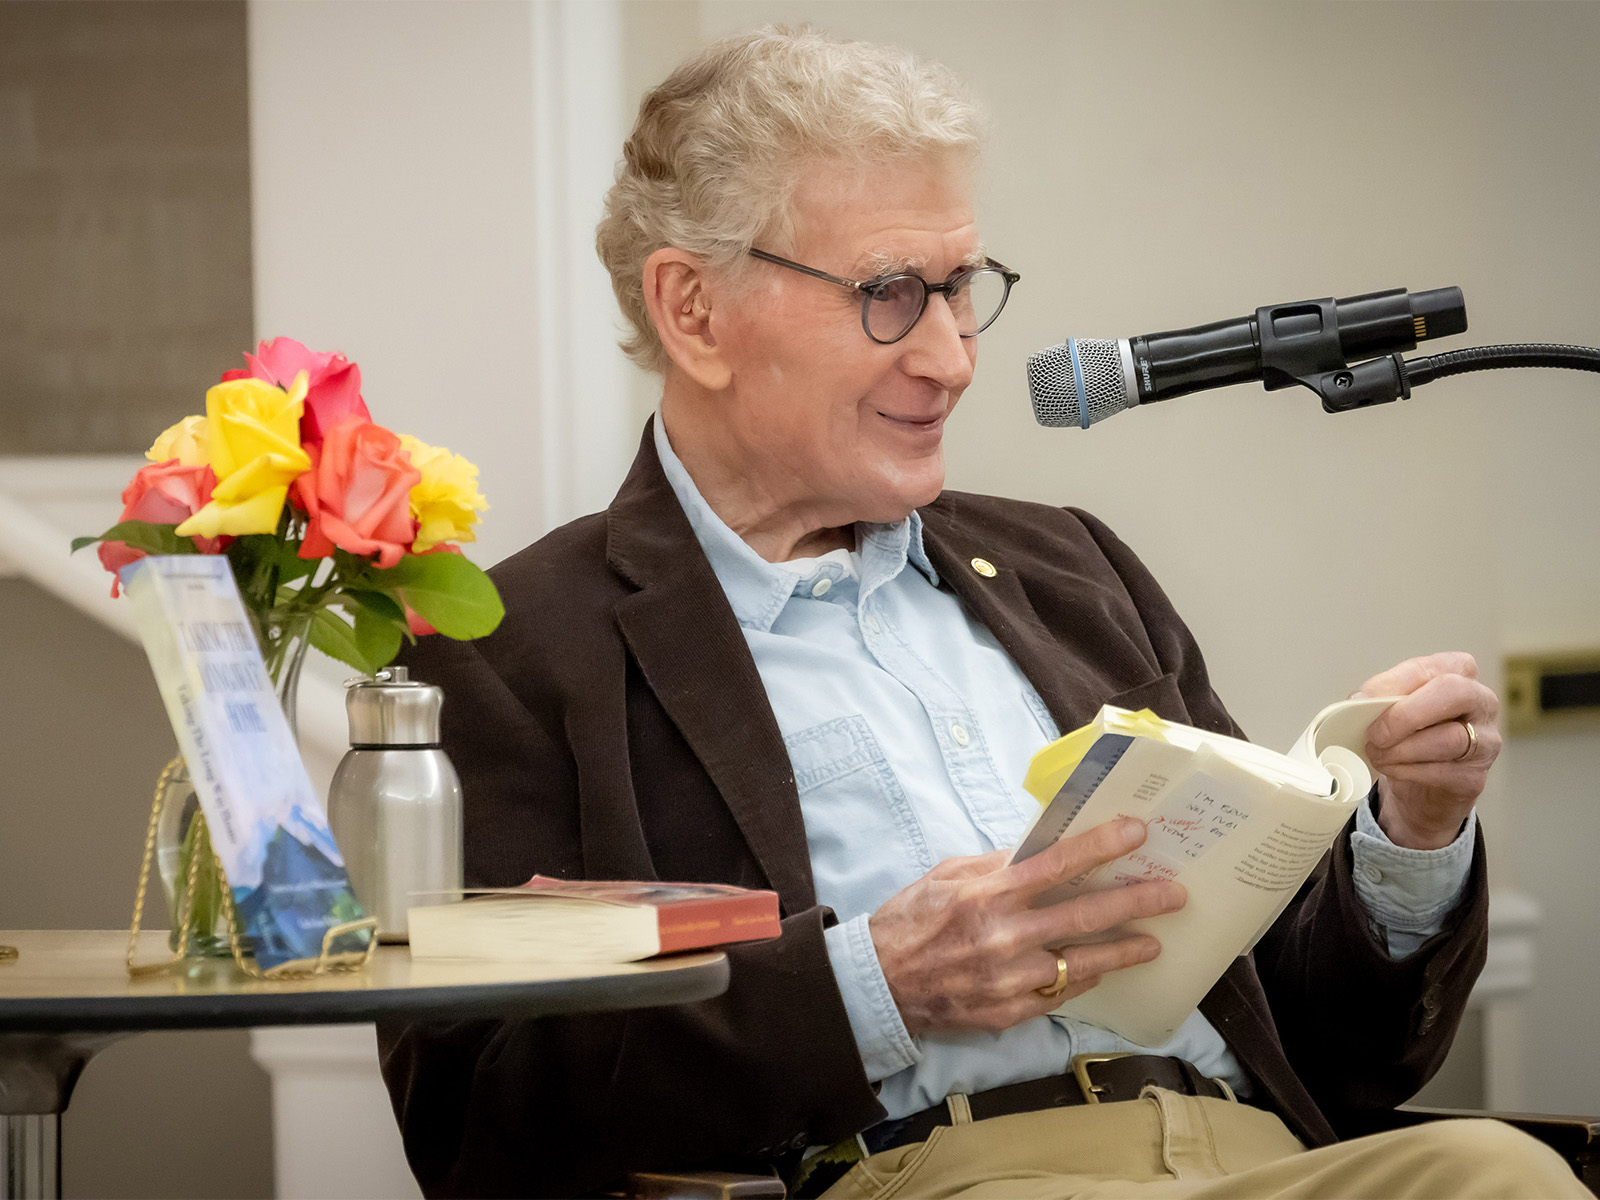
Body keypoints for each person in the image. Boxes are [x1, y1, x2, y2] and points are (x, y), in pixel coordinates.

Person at [378, 27, 1584, 1200]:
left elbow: (1341, 1055)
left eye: (960, 288)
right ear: (693, 311)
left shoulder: (1071, 568)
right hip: (938, 1173)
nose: (952, 358)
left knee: (1496, 1172)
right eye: (890, 294)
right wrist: (875, 987)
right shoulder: (515, 648)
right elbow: (480, 1120)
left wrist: (1410, 836)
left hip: (1261, 1154)